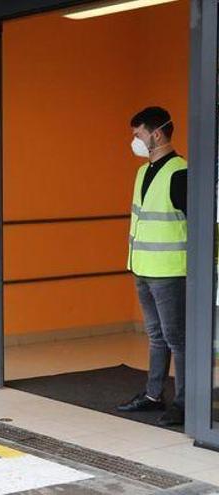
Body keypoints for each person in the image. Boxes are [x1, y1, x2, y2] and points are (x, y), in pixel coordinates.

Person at [116, 107, 187, 427]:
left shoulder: (181, 172)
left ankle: (186, 402)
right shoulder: (143, 172)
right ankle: (153, 394)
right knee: (156, 336)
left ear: (156, 134)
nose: (135, 140)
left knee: (177, 338)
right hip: (143, 266)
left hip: (170, 270)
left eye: (138, 134)